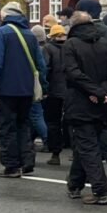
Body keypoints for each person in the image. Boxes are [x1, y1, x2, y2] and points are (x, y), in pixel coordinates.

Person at [63, 0, 107, 206]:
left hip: (80, 101)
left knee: (87, 146)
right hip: (102, 102)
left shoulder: (71, 44)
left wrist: (95, 91)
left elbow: (73, 73)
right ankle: (75, 184)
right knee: (86, 143)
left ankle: (100, 190)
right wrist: (104, 91)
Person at [0, 1, 47, 179]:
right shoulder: (30, 34)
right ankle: (27, 160)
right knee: (24, 125)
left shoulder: (1, 34)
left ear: (4, 16)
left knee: (7, 127)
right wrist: (44, 86)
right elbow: (40, 65)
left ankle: (11, 165)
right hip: (27, 89)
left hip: (7, 88)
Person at [43, 22, 68, 167]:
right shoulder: (71, 46)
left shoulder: (48, 48)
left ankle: (55, 153)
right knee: (70, 122)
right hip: (70, 91)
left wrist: (44, 88)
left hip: (53, 91)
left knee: (53, 122)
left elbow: (45, 68)